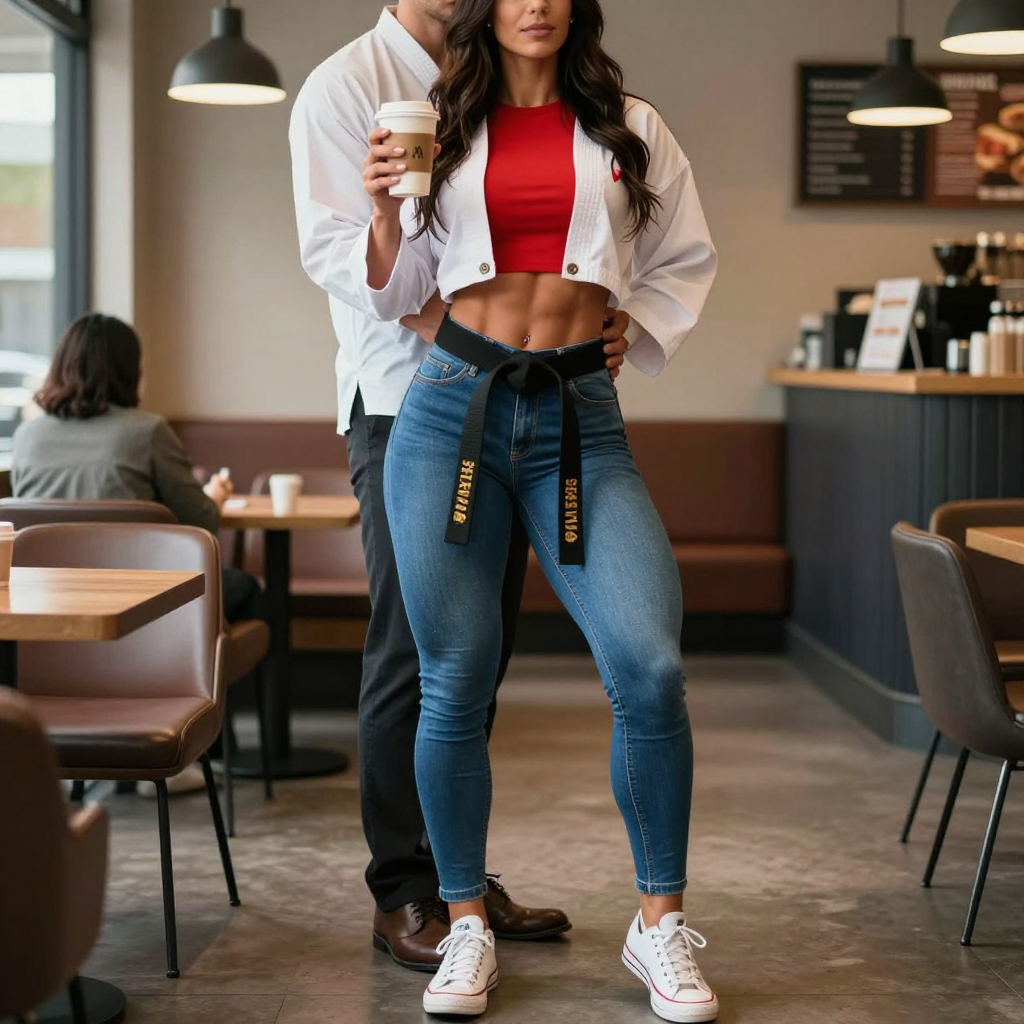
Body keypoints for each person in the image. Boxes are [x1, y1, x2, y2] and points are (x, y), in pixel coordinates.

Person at [359, 0, 718, 1018]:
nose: (536, 3)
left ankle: (659, 927)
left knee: (649, 666)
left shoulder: (629, 125)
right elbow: (392, 288)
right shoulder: (440, 121)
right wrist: (383, 212)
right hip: (449, 414)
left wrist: (633, 323)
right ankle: (465, 924)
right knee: (454, 678)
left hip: (578, 418)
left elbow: (686, 254)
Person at [289, 0, 631, 971]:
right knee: (417, 649)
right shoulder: (346, 86)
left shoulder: (508, 78)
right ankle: (403, 889)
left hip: (517, 403)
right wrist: (480, 336)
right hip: (406, 405)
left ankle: (460, 881)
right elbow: (337, 254)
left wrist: (604, 321)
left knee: (482, 648)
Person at [11, 313, 263, 793]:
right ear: (130, 370)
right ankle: (204, 749)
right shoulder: (147, 431)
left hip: (48, 621)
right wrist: (215, 496)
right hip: (148, 614)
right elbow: (201, 521)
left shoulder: (28, 436)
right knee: (245, 589)